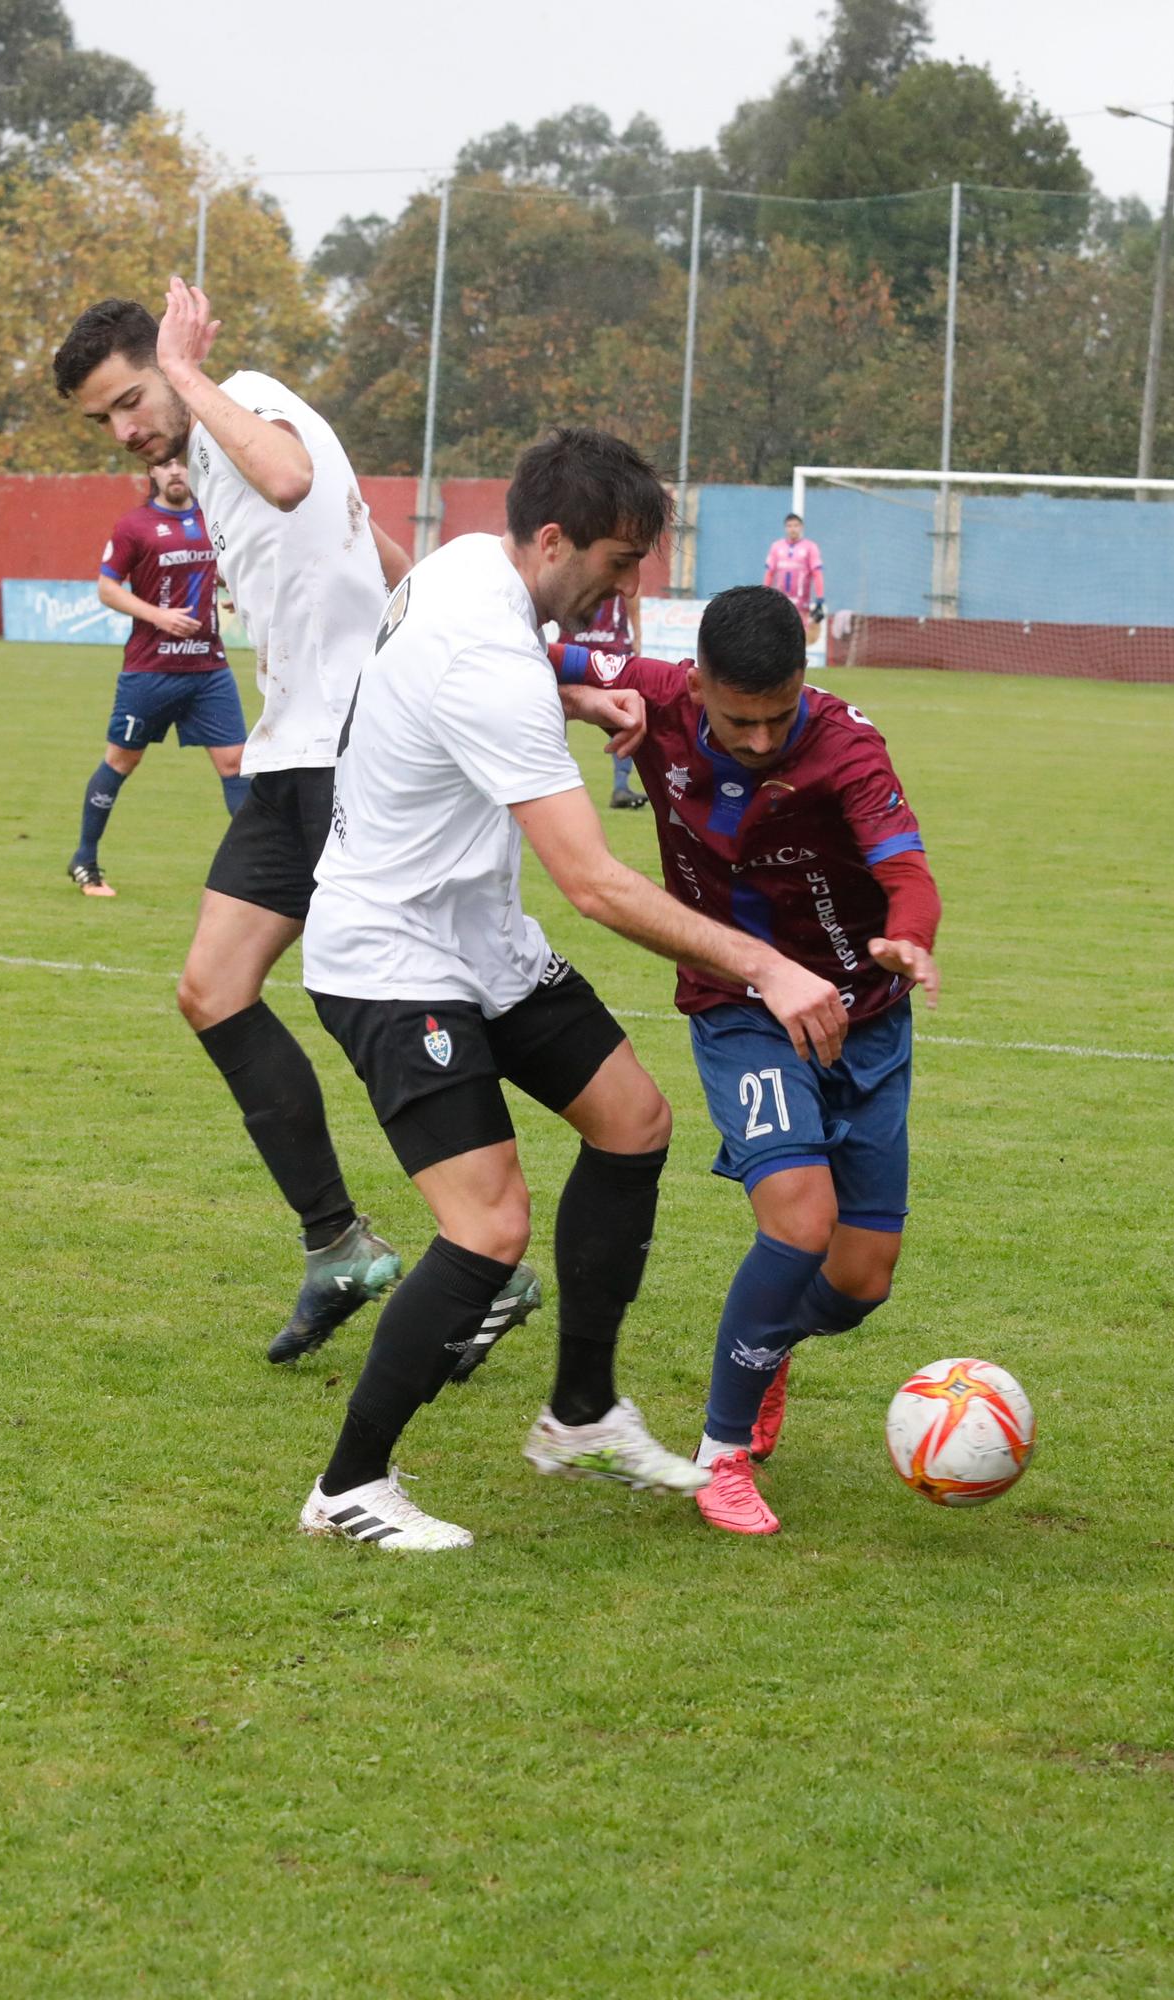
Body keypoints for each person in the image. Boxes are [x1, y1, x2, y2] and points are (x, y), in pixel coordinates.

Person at [296, 429, 848, 1553]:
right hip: (393, 959)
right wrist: (766, 962)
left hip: (479, 937)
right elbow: (594, 883)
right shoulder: (484, 652)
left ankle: (580, 1410)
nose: (629, 583)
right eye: (617, 558)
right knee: (490, 1224)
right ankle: (348, 1485)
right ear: (552, 539)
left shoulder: (467, 572)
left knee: (631, 1120)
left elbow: (482, 678)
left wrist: (579, 698)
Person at [53, 282, 540, 1366]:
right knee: (212, 990)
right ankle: (339, 1245)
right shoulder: (217, 436)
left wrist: (187, 376)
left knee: (386, 998)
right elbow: (365, 540)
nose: (127, 431)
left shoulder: (245, 406)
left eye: (130, 399)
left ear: (166, 364)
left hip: (342, 758)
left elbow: (290, 475)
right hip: (289, 756)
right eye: (106, 421)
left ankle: (489, 1262)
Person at [550, 584, 941, 1536]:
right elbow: (515, 651)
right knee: (798, 1219)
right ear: (699, 685)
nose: (760, 739)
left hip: (868, 1021)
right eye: (738, 719)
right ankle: (721, 1457)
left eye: (777, 717)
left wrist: (909, 936)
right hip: (741, 1005)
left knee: (860, 1281)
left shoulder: (848, 747)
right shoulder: (654, 691)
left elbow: (905, 869)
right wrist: (582, 697)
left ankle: (763, 1351)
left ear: (803, 680)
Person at [67, 457, 249, 898]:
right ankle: (85, 860)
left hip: (208, 668)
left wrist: (236, 595)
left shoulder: (213, 519)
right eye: (164, 466)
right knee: (122, 761)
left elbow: (226, 569)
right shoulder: (135, 526)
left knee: (237, 765)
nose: (174, 472)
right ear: (151, 473)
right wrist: (158, 617)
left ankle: (252, 874)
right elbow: (107, 587)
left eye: (181, 464)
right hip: (150, 671)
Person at [559, 592, 647, 807]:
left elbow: (631, 592)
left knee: (622, 713)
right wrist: (637, 636)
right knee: (553, 709)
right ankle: (619, 786)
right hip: (597, 643)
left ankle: (620, 788)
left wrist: (636, 635)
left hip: (597, 643)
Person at [764, 512, 825, 642]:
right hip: (780, 600)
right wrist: (764, 594)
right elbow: (770, 573)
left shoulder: (810, 547)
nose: (793, 529)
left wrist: (819, 600)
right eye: (789, 525)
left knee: (799, 635)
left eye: (796, 525)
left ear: (801, 527)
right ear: (785, 528)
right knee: (778, 633)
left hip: (801, 602)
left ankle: (798, 661)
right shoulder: (776, 547)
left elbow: (817, 574)